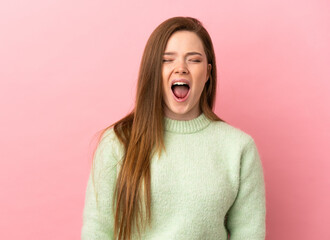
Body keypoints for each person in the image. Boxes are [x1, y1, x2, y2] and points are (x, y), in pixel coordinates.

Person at [81, 16, 266, 240]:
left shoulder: (239, 148)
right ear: (153, 71)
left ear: (207, 73)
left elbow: (249, 233)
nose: (181, 68)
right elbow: (97, 232)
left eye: (194, 60)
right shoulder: (118, 141)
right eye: (167, 60)